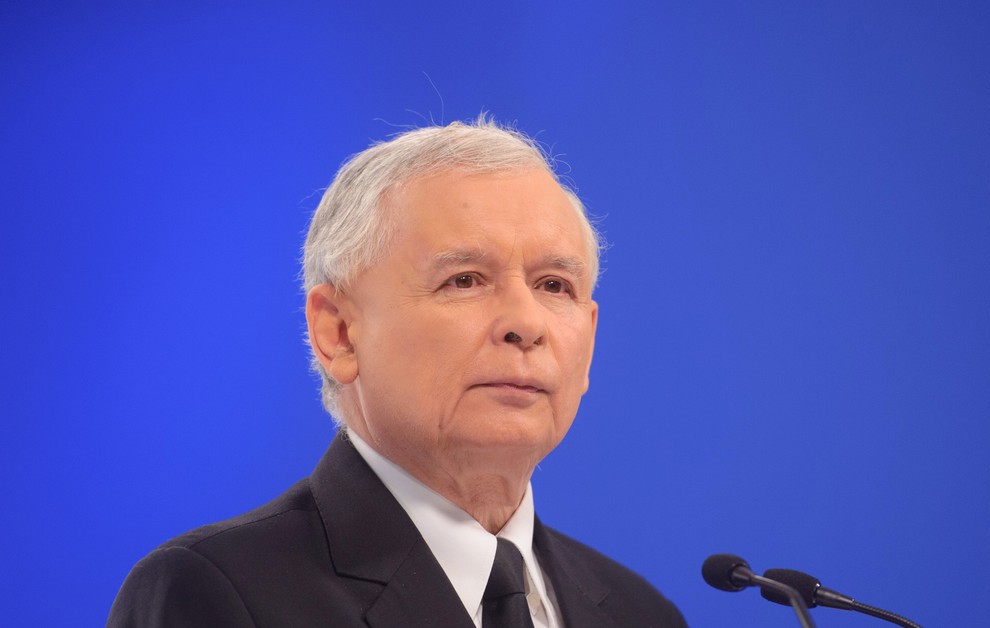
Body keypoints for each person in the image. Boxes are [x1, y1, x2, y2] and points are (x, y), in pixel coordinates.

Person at [107, 118, 686, 627]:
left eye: (554, 286)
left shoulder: (642, 614)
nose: (526, 323)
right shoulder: (217, 595)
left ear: (589, 340)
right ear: (339, 332)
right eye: (465, 280)